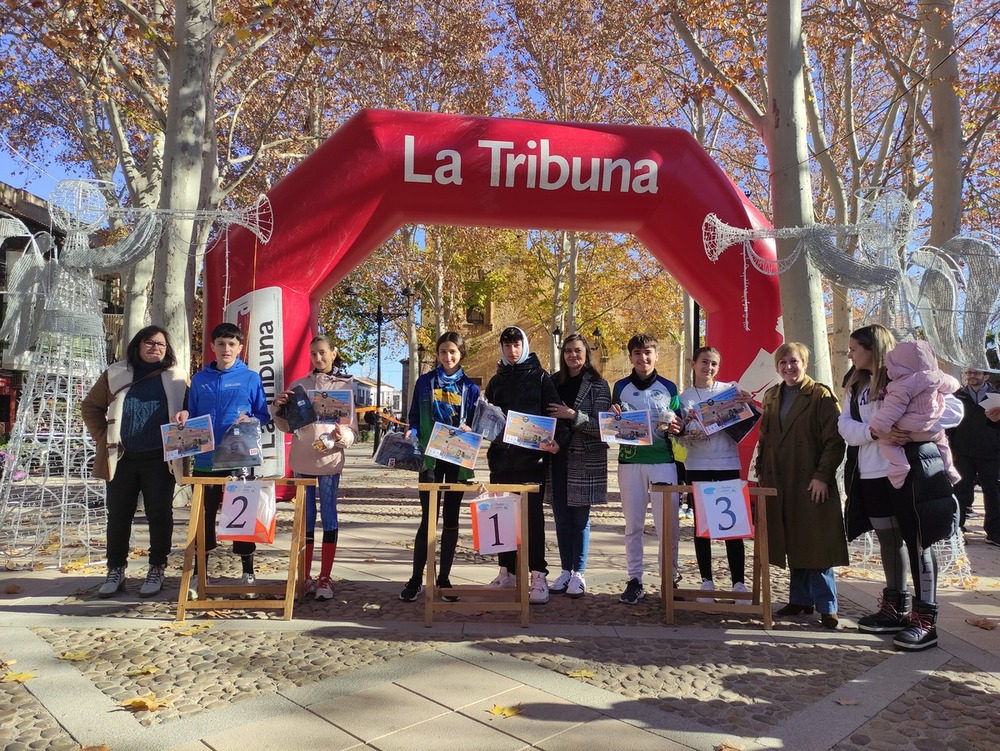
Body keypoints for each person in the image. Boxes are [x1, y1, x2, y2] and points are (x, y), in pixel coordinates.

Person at [840, 324, 964, 650]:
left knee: (919, 540)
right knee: (888, 538)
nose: (849, 354)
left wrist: (915, 428)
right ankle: (895, 607)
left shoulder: (911, 375)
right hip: (870, 473)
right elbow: (846, 426)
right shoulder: (854, 384)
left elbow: (954, 409)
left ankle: (926, 619)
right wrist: (876, 432)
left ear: (873, 348)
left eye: (854, 348)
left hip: (911, 473)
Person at [82, 326, 189, 598]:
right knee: (118, 516)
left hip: (159, 459)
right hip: (123, 458)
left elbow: (191, 412)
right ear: (138, 345)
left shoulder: (177, 377)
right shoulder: (116, 373)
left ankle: (157, 568)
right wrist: (102, 436)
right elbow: (90, 406)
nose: (155, 347)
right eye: (149, 342)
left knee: (159, 515)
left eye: (161, 344)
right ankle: (115, 570)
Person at [756, 342, 847, 630]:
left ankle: (827, 606)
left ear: (805, 363)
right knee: (792, 538)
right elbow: (765, 438)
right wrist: (761, 472)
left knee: (816, 542)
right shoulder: (772, 395)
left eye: (793, 362)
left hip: (810, 481)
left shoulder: (820, 395)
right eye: (782, 363)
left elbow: (835, 440)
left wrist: (822, 476)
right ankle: (800, 599)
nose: (788, 368)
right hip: (779, 480)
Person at [174, 322, 270, 593]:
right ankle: (199, 574)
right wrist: (183, 416)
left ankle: (248, 572)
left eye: (232, 344)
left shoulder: (251, 378)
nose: (226, 349)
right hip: (205, 461)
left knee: (242, 516)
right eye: (221, 344)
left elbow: (263, 415)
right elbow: (189, 415)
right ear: (212, 347)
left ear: (240, 348)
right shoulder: (199, 380)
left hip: (239, 459)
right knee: (202, 519)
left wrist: (251, 419)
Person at [271, 335, 358, 602]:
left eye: (322, 353)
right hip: (302, 461)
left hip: (330, 462)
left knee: (329, 518)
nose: (318, 358)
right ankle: (305, 575)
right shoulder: (299, 385)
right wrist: (278, 409)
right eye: (313, 354)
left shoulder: (346, 386)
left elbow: (352, 428)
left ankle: (326, 576)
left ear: (334, 353)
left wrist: (343, 437)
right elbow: (287, 426)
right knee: (306, 519)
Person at [484, 326, 567, 604]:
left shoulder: (541, 378)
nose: (512, 350)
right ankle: (507, 571)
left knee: (532, 519)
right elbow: (487, 418)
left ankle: (538, 574)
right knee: (503, 516)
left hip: (531, 460)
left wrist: (557, 441)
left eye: (517, 344)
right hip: (501, 460)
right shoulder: (495, 381)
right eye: (507, 345)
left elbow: (555, 412)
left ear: (525, 345)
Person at [398, 332, 480, 603]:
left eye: (453, 351)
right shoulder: (424, 382)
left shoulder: (471, 387)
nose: (448, 356)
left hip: (457, 456)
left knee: (452, 519)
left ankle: (444, 578)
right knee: (428, 519)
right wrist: (411, 430)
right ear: (438, 353)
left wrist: (471, 428)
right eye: (443, 351)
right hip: (430, 457)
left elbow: (478, 423)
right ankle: (415, 579)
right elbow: (412, 416)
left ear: (461, 353)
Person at [611, 333, 684, 606]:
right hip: (630, 462)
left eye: (648, 352)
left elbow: (679, 427)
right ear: (630, 357)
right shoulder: (619, 386)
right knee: (634, 526)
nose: (643, 358)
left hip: (663, 463)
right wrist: (613, 414)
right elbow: (613, 421)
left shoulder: (669, 387)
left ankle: (669, 576)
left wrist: (678, 426)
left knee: (669, 526)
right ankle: (635, 580)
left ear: (656, 355)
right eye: (638, 353)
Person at [677, 346, 751, 601]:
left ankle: (738, 583)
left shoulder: (730, 389)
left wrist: (746, 403)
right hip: (697, 465)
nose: (709, 368)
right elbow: (680, 435)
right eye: (704, 362)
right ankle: (706, 581)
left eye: (714, 364)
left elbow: (746, 419)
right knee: (703, 525)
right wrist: (684, 428)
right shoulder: (684, 397)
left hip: (728, 463)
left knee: (733, 525)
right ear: (693, 364)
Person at [545, 333, 611, 599]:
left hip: (584, 459)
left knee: (580, 519)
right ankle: (564, 570)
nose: (573, 355)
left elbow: (603, 428)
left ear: (586, 354)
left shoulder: (599, 384)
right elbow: (544, 417)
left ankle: (579, 573)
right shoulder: (553, 382)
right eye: (568, 351)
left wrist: (573, 415)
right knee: (561, 519)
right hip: (557, 457)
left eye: (578, 351)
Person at [868, 340, 961, 490]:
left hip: (907, 431)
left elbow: (893, 408)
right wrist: (955, 383)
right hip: (932, 428)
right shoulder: (937, 376)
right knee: (943, 443)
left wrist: (878, 425)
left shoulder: (901, 385)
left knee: (886, 443)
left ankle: (899, 466)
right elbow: (953, 384)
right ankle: (950, 469)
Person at [946, 367, 1000, 543]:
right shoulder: (957, 396)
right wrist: (951, 449)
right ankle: (957, 529)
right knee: (960, 491)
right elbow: (950, 426)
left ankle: (994, 533)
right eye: (969, 373)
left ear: (986, 376)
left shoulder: (996, 396)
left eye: (976, 373)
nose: (972, 377)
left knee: (993, 493)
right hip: (963, 452)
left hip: (991, 452)